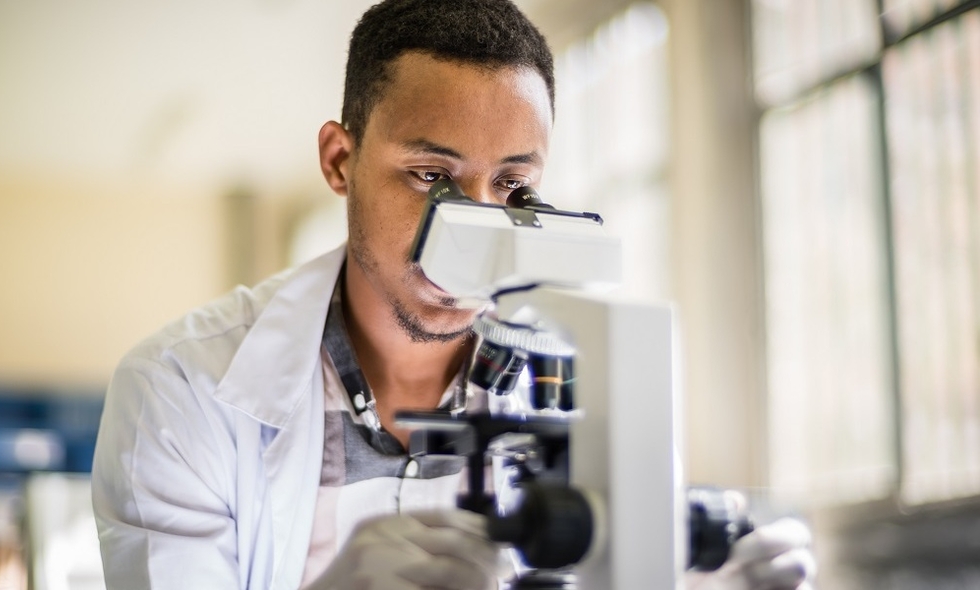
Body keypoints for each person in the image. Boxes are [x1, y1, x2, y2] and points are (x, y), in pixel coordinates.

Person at [91, 1, 816, 588]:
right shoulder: (181, 390)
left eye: (513, 186)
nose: (475, 230)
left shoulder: (585, 373)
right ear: (340, 160)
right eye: (432, 177)